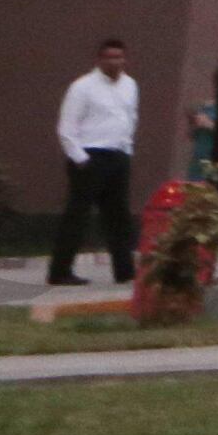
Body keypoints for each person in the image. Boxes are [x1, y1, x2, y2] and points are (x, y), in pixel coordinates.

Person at [47, 37, 143, 287]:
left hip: (117, 154)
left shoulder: (130, 85)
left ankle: (125, 271)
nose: (114, 62)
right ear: (99, 59)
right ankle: (60, 271)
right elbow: (67, 127)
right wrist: (80, 159)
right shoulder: (83, 87)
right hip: (90, 156)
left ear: (125, 59)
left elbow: (130, 118)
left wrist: (126, 150)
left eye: (118, 57)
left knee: (119, 217)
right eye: (109, 57)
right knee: (77, 216)